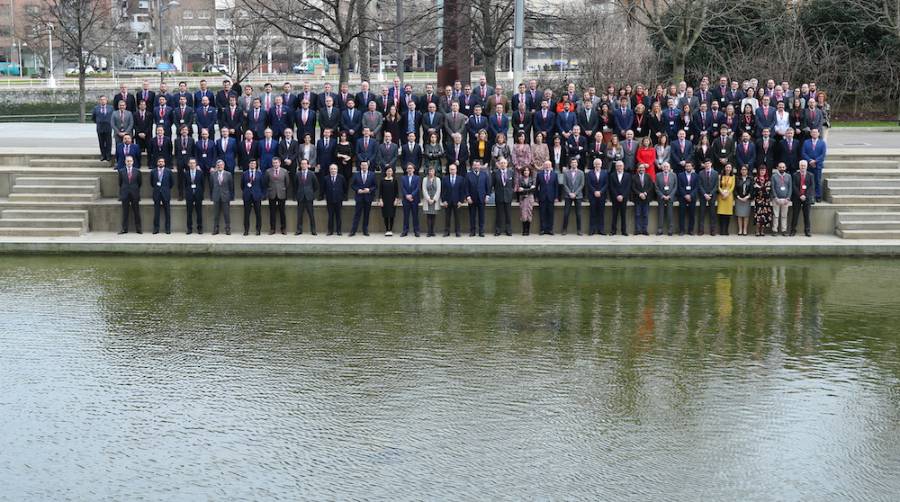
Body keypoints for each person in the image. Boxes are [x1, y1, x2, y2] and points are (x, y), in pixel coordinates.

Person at [349, 160, 377, 236]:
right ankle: (353, 231)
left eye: (365, 165)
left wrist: (369, 190)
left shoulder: (372, 174)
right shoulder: (356, 174)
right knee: (357, 215)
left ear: (368, 166)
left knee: (366, 214)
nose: (364, 167)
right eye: (362, 165)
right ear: (360, 166)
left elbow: (375, 186)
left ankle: (365, 230)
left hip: (368, 198)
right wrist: (357, 190)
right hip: (359, 197)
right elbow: (352, 185)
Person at [466, 160, 492, 237]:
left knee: (481, 216)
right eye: (475, 165)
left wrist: (487, 196)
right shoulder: (468, 175)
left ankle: (481, 231)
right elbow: (466, 187)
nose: (476, 167)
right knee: (472, 216)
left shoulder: (484, 174)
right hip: (472, 199)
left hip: (482, 198)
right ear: (472, 166)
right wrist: (468, 197)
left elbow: (488, 186)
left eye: (478, 165)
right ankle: (472, 231)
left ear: (480, 166)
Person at [265, 157, 290, 235]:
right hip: (272, 193)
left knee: (282, 212)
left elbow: (287, 183)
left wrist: (283, 189)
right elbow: (266, 182)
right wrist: (269, 189)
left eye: (276, 162)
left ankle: (283, 228)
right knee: (272, 212)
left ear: (279, 163)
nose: (275, 164)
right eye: (273, 163)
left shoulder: (284, 171)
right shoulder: (268, 171)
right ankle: (272, 229)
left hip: (281, 193)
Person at [117, 156, 142, 234]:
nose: (129, 162)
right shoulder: (121, 171)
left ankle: (138, 228)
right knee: (125, 212)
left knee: (136, 212)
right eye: (127, 161)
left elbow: (139, 183)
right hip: (125, 194)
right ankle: (124, 229)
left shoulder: (137, 171)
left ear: (133, 162)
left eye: (130, 161)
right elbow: (120, 183)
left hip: (134, 194)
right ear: (125, 162)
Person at [294, 159, 319, 235]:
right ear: (300, 165)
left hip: (309, 197)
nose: (303, 165)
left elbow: (316, 185)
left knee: (311, 214)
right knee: (299, 215)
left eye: (305, 164)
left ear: (308, 165)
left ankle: (313, 230)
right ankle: (299, 230)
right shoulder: (297, 174)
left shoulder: (312, 174)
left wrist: (310, 192)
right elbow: (295, 185)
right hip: (300, 196)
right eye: (302, 164)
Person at [560, 158, 584, 235]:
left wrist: (575, 193)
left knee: (579, 214)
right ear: (570, 164)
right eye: (572, 162)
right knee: (566, 213)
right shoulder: (566, 173)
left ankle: (579, 230)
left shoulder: (581, 173)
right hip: (568, 195)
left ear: (577, 164)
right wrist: (570, 193)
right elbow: (564, 184)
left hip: (578, 196)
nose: (574, 164)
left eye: (575, 162)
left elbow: (582, 184)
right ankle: (564, 229)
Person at [150, 158, 174, 234]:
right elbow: (151, 183)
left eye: (162, 162)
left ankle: (167, 229)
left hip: (166, 193)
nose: (161, 163)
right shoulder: (153, 171)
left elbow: (171, 183)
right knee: (156, 212)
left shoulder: (169, 171)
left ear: (164, 163)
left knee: (167, 212)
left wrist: (165, 189)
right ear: (157, 163)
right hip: (156, 193)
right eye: (159, 161)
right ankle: (156, 228)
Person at [802, 128, 826, 202]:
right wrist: (810, 161)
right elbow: (803, 153)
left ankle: (818, 196)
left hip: (817, 165)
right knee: (808, 181)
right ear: (810, 134)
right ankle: (808, 195)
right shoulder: (806, 142)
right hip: (808, 165)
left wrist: (815, 161)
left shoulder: (822, 143)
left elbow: (823, 154)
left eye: (816, 132)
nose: (814, 134)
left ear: (819, 134)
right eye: (813, 132)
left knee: (817, 181)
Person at [791, 160, 815, 237]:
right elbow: (794, 186)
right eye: (801, 165)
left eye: (804, 165)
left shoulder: (811, 175)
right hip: (797, 198)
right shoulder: (795, 175)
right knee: (795, 215)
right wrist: (800, 195)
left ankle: (807, 231)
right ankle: (792, 230)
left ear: (807, 166)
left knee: (807, 215)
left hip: (807, 198)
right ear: (799, 166)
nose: (803, 167)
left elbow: (812, 187)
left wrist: (805, 195)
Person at [241, 159, 264, 235]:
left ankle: (258, 230)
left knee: (258, 214)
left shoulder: (259, 174)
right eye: (251, 163)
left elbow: (262, 185)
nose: (252, 165)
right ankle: (246, 230)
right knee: (246, 214)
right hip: (247, 196)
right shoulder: (244, 174)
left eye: (254, 163)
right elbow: (242, 185)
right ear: (249, 164)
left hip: (257, 196)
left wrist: (260, 194)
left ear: (256, 165)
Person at [322, 164, 346, 235]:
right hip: (330, 200)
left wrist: (342, 196)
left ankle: (339, 231)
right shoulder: (326, 178)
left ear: (337, 170)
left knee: (338, 216)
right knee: (330, 216)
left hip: (338, 200)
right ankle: (330, 231)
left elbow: (345, 188)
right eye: (332, 169)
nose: (333, 170)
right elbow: (324, 188)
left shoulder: (341, 177)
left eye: (334, 169)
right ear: (329, 170)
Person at [492, 158, 515, 236]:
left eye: (504, 163)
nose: (503, 165)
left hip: (508, 196)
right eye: (501, 163)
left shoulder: (511, 172)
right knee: (499, 214)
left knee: (508, 215)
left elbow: (513, 184)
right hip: (499, 196)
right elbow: (492, 184)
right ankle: (498, 230)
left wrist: (511, 193)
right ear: (499, 164)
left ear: (507, 164)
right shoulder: (495, 173)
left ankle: (508, 230)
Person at [585, 158, 608, 235]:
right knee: (593, 213)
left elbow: (606, 184)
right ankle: (592, 230)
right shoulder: (589, 173)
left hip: (602, 196)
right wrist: (594, 191)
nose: (597, 165)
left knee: (601, 213)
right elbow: (588, 184)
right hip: (593, 196)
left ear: (601, 165)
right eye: (596, 164)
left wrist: (600, 192)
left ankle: (601, 230)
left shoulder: (605, 173)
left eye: (599, 164)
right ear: (594, 165)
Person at [536, 160, 559, 235]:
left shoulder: (554, 174)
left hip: (551, 197)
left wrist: (556, 197)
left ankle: (550, 229)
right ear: (544, 166)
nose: (547, 166)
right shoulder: (539, 174)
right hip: (542, 197)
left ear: (551, 166)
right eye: (546, 165)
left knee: (550, 214)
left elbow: (556, 187)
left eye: (549, 165)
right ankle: (542, 229)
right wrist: (536, 196)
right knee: (542, 214)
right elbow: (536, 187)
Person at [608, 161, 631, 235]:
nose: (619, 167)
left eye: (620, 166)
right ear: (615, 167)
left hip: (624, 198)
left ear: (623, 166)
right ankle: (613, 231)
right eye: (618, 166)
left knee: (623, 215)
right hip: (615, 198)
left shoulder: (627, 175)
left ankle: (624, 231)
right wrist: (617, 195)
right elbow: (611, 187)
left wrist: (622, 196)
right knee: (614, 215)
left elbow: (628, 187)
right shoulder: (612, 175)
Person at [654, 161, 677, 235]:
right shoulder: (658, 175)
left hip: (670, 197)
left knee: (670, 214)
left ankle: (670, 230)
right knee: (660, 213)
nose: (666, 168)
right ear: (662, 168)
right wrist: (662, 196)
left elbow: (675, 187)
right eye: (664, 166)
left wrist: (670, 195)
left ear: (669, 168)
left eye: (667, 166)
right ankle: (660, 229)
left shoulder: (674, 175)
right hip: (661, 197)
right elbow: (656, 187)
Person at [697, 160, 719, 235]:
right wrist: (705, 194)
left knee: (712, 213)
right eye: (706, 164)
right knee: (701, 213)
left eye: (708, 163)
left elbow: (716, 185)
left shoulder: (715, 173)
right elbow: (699, 185)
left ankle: (713, 230)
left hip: (712, 196)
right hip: (703, 196)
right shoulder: (700, 173)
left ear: (711, 164)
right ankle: (701, 230)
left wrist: (711, 194)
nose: (707, 165)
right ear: (704, 165)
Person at [770, 162, 792, 236]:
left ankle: (784, 230)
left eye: (783, 167)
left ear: (785, 168)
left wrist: (788, 198)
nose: (782, 168)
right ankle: (774, 230)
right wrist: (776, 198)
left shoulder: (789, 176)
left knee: (784, 215)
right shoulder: (774, 176)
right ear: (777, 168)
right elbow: (772, 187)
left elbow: (790, 188)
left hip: (786, 200)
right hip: (776, 199)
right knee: (775, 215)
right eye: (780, 167)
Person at [211, 160, 233, 235]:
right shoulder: (213, 174)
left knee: (226, 214)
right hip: (216, 196)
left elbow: (231, 186)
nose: (220, 166)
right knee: (216, 214)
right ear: (216, 166)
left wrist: (230, 196)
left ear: (223, 166)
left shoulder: (228, 174)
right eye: (218, 165)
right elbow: (211, 186)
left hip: (225, 196)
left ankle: (228, 228)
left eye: (221, 165)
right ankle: (215, 228)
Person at [631, 163, 653, 235]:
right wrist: (640, 194)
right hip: (637, 198)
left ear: (645, 169)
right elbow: (633, 187)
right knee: (637, 214)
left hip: (646, 198)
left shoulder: (648, 176)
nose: (641, 169)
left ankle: (644, 230)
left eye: (643, 168)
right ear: (638, 169)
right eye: (640, 168)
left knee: (645, 215)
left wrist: (645, 193)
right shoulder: (634, 177)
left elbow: (651, 186)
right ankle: (637, 230)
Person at [400, 163, 422, 237]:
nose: (409, 169)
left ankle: (416, 231)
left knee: (415, 216)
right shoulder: (403, 178)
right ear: (406, 170)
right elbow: (402, 188)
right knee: (406, 216)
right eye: (408, 168)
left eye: (411, 168)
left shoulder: (417, 178)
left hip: (414, 199)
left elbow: (418, 188)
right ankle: (405, 231)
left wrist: (411, 195)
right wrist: (407, 195)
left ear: (413, 169)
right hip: (406, 200)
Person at [421, 166, 443, 237]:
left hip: (435, 201)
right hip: (427, 201)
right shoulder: (424, 179)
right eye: (430, 171)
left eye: (432, 171)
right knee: (428, 216)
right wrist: (428, 199)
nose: (431, 172)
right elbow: (424, 189)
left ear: (434, 172)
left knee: (433, 216)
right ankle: (429, 231)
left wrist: (434, 199)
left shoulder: (438, 179)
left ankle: (432, 231)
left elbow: (438, 190)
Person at [378, 166, 400, 236]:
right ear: (386, 172)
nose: (389, 172)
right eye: (388, 171)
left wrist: (396, 200)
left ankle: (391, 230)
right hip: (385, 200)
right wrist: (380, 200)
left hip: (392, 200)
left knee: (392, 215)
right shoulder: (382, 180)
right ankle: (387, 229)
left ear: (392, 172)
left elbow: (397, 192)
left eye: (390, 171)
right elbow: (380, 192)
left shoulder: (395, 180)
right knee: (385, 215)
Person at [677, 161, 698, 235]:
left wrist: (690, 195)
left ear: (692, 167)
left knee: (692, 214)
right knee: (681, 214)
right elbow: (679, 187)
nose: (688, 167)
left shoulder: (696, 175)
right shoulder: (680, 175)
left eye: (689, 166)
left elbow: (696, 187)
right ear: (685, 167)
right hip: (683, 197)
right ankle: (682, 230)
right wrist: (685, 195)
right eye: (687, 166)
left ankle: (691, 230)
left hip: (692, 197)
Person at [515, 166, 536, 236]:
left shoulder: (532, 179)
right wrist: (528, 189)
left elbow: (533, 190)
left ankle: (528, 230)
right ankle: (524, 230)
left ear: (529, 172)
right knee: (523, 214)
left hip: (530, 198)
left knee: (529, 213)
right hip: (523, 198)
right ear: (523, 172)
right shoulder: (520, 179)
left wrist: (524, 190)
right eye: (525, 170)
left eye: (527, 170)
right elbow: (519, 190)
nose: (526, 172)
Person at [184, 158, 204, 234]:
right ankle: (189, 228)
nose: (192, 164)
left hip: (198, 194)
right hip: (189, 195)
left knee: (199, 212)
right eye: (191, 163)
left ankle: (200, 228)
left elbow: (202, 185)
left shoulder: (200, 173)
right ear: (188, 164)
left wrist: (201, 194)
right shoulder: (186, 173)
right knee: (189, 212)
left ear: (196, 164)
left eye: (193, 163)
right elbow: (185, 184)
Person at [92, 96, 114, 162]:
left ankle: (108, 155)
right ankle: (103, 155)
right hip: (100, 127)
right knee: (101, 142)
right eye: (101, 100)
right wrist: (99, 122)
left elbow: (113, 117)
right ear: (99, 101)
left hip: (108, 127)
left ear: (106, 100)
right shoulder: (96, 108)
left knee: (108, 142)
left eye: (104, 99)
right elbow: (93, 118)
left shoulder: (111, 108)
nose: (103, 101)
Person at [734, 165, 754, 236]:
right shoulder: (737, 178)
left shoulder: (750, 179)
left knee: (746, 215)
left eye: (745, 169)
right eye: (742, 169)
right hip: (739, 199)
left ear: (747, 171)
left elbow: (752, 190)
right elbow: (735, 189)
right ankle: (740, 230)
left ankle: (745, 230)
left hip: (747, 199)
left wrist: (747, 197)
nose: (743, 171)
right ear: (740, 171)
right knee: (739, 215)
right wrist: (739, 197)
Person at [753, 165, 773, 236]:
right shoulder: (755, 179)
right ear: (759, 171)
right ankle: (757, 231)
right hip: (758, 201)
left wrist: (760, 188)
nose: (762, 171)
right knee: (758, 216)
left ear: (765, 171)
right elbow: (755, 190)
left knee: (765, 216)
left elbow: (768, 190)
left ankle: (762, 231)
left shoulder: (768, 179)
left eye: (763, 170)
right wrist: (763, 188)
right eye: (761, 170)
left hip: (766, 201)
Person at [716, 163, 736, 235]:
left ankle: (726, 230)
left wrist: (727, 193)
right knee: (721, 214)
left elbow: (733, 187)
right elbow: (718, 186)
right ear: (725, 168)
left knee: (728, 214)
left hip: (729, 197)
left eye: (729, 167)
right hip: (721, 197)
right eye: (727, 167)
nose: (728, 168)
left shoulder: (733, 177)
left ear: (731, 169)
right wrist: (722, 193)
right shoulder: (720, 176)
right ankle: (721, 230)